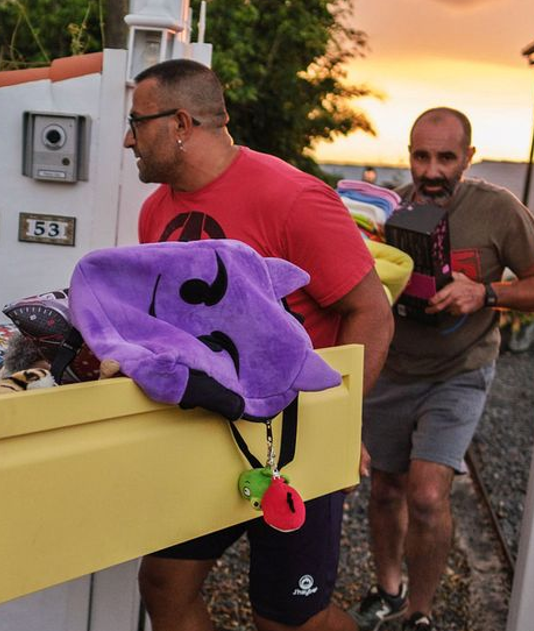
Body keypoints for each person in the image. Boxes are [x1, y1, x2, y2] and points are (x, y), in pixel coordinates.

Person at [127, 59, 393, 631]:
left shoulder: (293, 197)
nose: (129, 138)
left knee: (291, 621)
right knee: (164, 584)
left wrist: (340, 426)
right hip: (206, 434)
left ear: (179, 122)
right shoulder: (155, 211)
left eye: (137, 122)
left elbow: (371, 312)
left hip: (297, 441)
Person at [349, 107, 534, 631]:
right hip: (392, 366)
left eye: (447, 157)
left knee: (426, 494)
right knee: (386, 489)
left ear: (469, 156)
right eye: (422, 156)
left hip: (459, 369)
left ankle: (421, 613)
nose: (433, 170)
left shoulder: (497, 209)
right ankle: (389, 590)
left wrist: (486, 291)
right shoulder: (384, 208)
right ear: (410, 156)